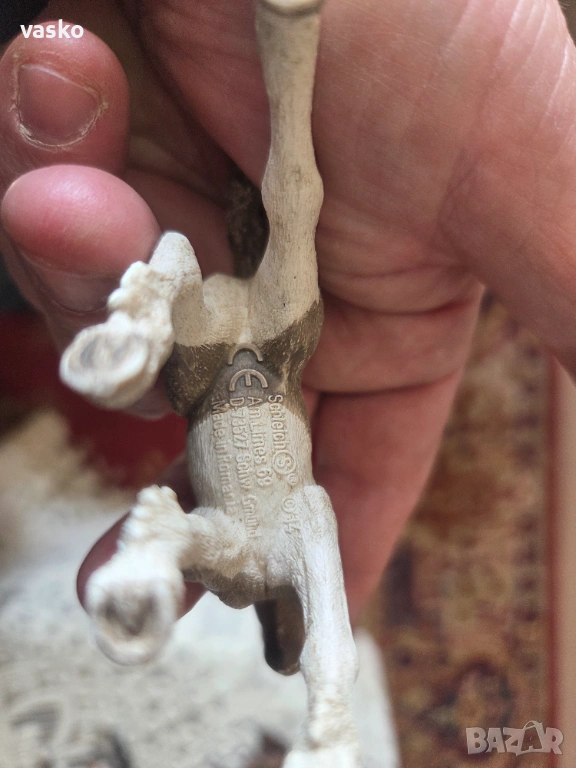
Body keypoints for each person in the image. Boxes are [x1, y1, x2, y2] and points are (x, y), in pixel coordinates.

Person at [0, 0, 573, 625]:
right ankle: (287, 40)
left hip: (214, 364)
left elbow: (180, 535)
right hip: (269, 354)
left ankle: (137, 324)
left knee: (170, 236)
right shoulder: (295, 532)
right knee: (285, 209)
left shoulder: (234, 559)